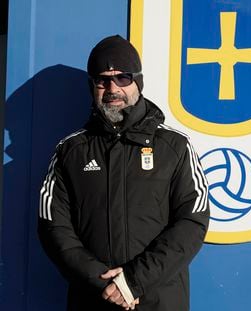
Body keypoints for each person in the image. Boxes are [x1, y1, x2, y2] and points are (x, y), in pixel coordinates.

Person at [38, 35, 210, 311]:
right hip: (94, 300)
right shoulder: (70, 151)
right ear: (92, 86)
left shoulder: (175, 146)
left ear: (138, 82)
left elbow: (192, 221)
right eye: (102, 79)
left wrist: (133, 282)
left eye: (123, 78)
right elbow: (53, 227)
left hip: (159, 301)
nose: (112, 88)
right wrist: (104, 284)